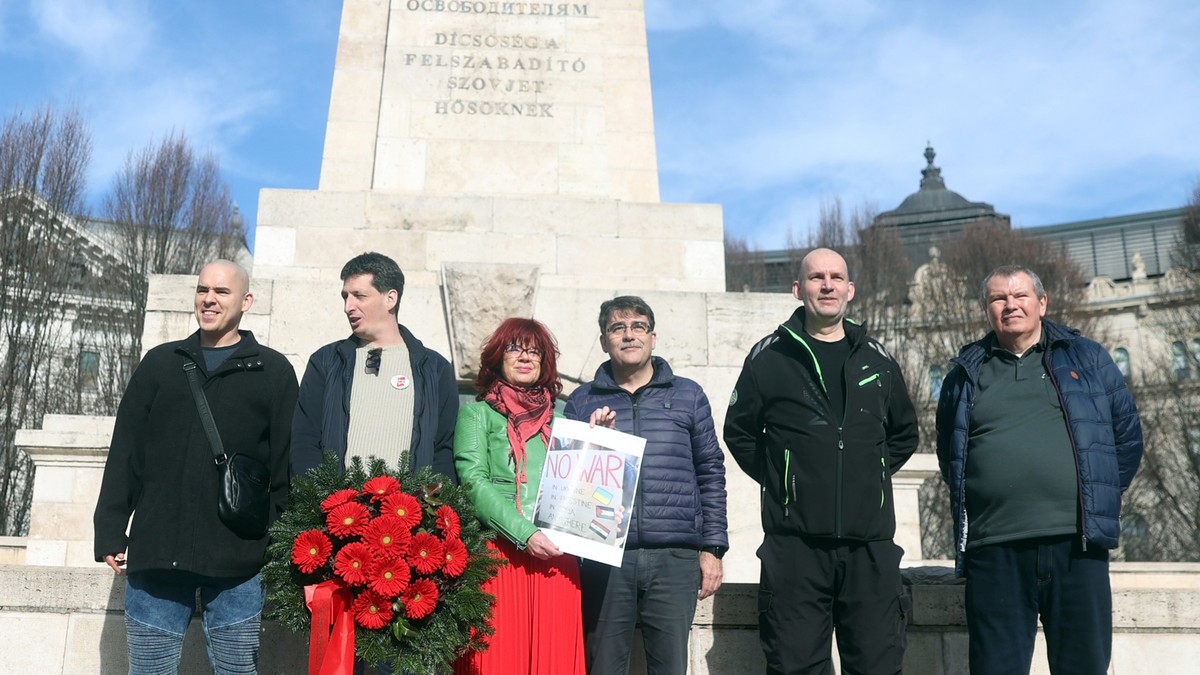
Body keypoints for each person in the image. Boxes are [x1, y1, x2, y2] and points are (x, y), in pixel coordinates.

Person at [935, 265, 1143, 675]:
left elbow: (1127, 436)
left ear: (1042, 302)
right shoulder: (964, 374)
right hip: (994, 550)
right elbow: (951, 454)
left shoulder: (1088, 357)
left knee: (1084, 667)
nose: (1010, 305)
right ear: (987, 309)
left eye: (1020, 296)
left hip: (1077, 547)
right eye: (998, 298)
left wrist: (1096, 496)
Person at [94, 260, 298, 673]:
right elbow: (127, 451)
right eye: (203, 289)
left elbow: (284, 468)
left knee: (237, 671)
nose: (209, 299)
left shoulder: (273, 371)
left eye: (222, 292)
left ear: (246, 301)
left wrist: (278, 545)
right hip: (158, 552)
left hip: (240, 559)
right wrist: (111, 528)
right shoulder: (160, 363)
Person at [724, 247, 919, 675]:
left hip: (870, 547)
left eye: (835, 277)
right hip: (795, 549)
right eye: (816, 278)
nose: (826, 285)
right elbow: (739, 433)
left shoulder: (878, 357)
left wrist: (868, 475)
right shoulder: (769, 356)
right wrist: (787, 480)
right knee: (795, 667)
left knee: (878, 666)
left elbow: (904, 433)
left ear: (850, 290)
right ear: (798, 289)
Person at [564, 295, 728, 675]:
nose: (629, 335)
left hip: (675, 557)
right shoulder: (581, 400)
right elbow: (569, 485)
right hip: (606, 559)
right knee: (603, 667)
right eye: (617, 328)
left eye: (638, 326)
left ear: (653, 337)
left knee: (670, 667)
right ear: (604, 341)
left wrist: (713, 548)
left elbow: (710, 471)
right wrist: (594, 442)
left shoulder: (688, 394)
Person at [452, 318, 604, 674]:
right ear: (497, 358)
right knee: (499, 659)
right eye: (514, 348)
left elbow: (586, 490)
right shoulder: (477, 415)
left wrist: (599, 444)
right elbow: (473, 482)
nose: (525, 357)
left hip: (557, 555)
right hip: (499, 554)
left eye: (534, 351)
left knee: (555, 661)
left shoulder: (565, 418)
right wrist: (526, 533)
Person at [291, 251, 458, 481]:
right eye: (345, 297)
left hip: (410, 513)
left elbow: (443, 450)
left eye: (359, 296)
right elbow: (304, 441)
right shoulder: (326, 362)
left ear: (391, 298)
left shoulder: (435, 369)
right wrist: (319, 503)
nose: (348, 306)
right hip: (337, 513)